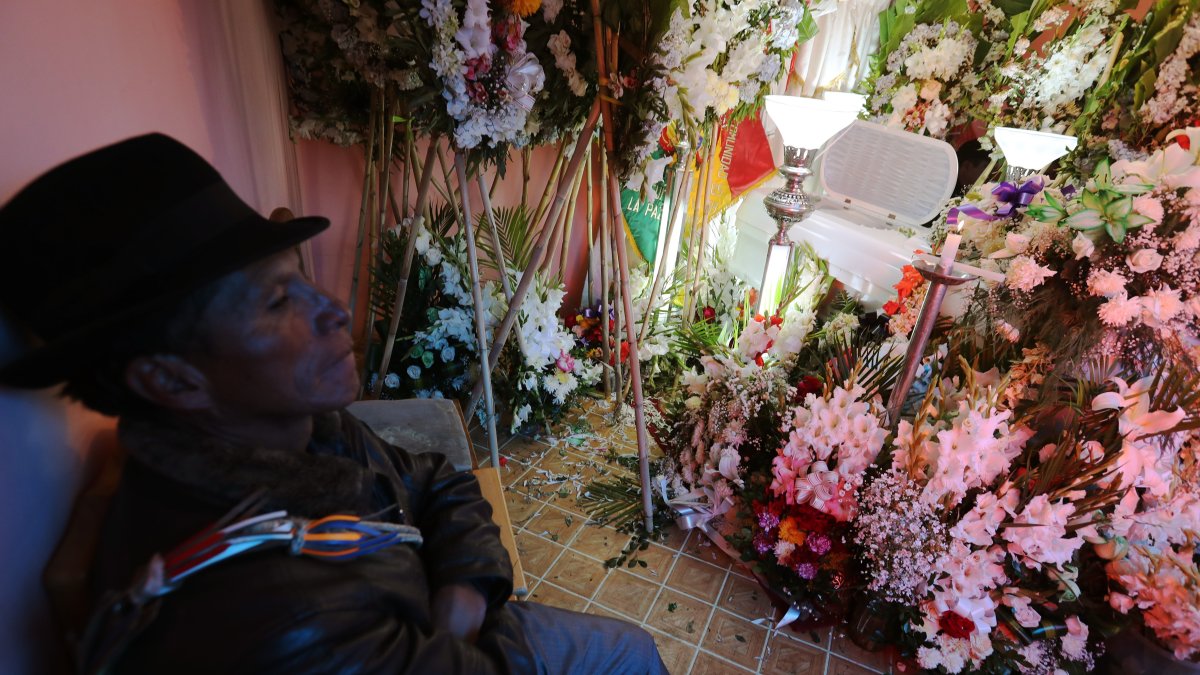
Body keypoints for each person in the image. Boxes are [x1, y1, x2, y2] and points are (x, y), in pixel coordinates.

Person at [0, 134, 669, 674]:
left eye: (301, 281)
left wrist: (462, 590)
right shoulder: (275, 621)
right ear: (172, 380)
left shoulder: (278, 429)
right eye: (277, 301)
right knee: (631, 654)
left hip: (441, 622)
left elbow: (432, 475)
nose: (335, 310)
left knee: (631, 646)